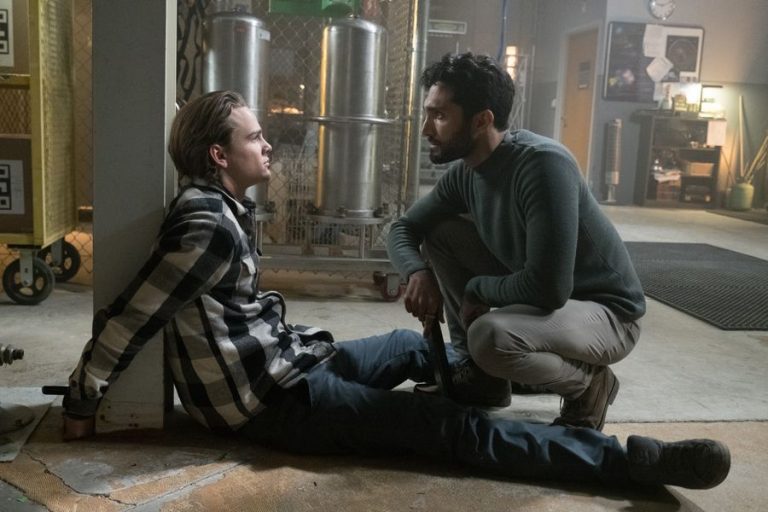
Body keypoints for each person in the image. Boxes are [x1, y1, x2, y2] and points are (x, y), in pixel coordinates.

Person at [62, 90, 729, 491]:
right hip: (278, 403)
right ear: (218, 155)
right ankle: (628, 462)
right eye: (255, 136)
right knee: (452, 432)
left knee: (412, 349)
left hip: (296, 361)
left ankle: (485, 383)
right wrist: (82, 401)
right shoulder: (205, 226)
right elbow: (132, 318)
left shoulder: (223, 209)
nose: (268, 145)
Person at [387, 52, 645, 431]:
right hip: (548, 304)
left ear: (482, 120)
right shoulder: (467, 173)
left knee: (489, 336)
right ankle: (482, 378)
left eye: (439, 116)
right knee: (440, 233)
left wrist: (477, 288)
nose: (426, 129)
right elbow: (403, 228)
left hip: (607, 315)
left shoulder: (543, 166)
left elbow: (549, 288)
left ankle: (589, 384)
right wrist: (416, 273)